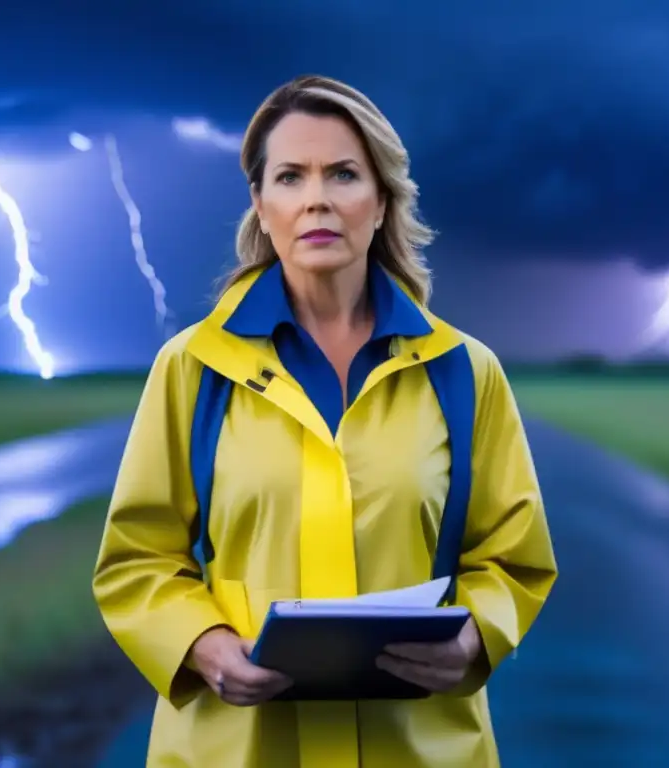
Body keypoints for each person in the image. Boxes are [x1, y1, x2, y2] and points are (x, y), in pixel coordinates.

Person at [92, 74, 558, 768]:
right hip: (236, 751)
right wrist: (201, 645)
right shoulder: (193, 367)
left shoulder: (464, 371)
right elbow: (138, 560)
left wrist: (473, 639)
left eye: (343, 174)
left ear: (380, 202)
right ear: (261, 203)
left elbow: (512, 560)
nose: (316, 199)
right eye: (290, 177)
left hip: (423, 751)